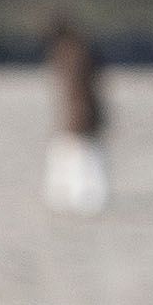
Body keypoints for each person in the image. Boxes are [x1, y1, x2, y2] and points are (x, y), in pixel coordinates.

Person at [44, 11, 110, 216]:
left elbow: (78, 88)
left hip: (79, 113)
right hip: (82, 112)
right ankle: (73, 197)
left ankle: (79, 198)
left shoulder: (73, 53)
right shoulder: (79, 51)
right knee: (82, 156)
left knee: (82, 156)